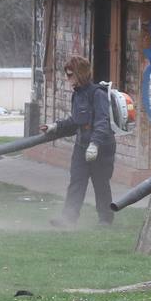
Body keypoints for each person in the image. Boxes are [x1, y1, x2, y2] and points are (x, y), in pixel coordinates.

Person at [43, 55, 115, 227]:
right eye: (67, 75)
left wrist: (95, 144)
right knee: (76, 182)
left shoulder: (98, 94)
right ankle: (68, 218)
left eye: (70, 75)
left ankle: (105, 219)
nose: (68, 79)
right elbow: (76, 121)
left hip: (101, 147)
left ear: (80, 74)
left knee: (101, 183)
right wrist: (55, 126)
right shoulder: (77, 95)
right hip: (82, 145)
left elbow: (102, 122)